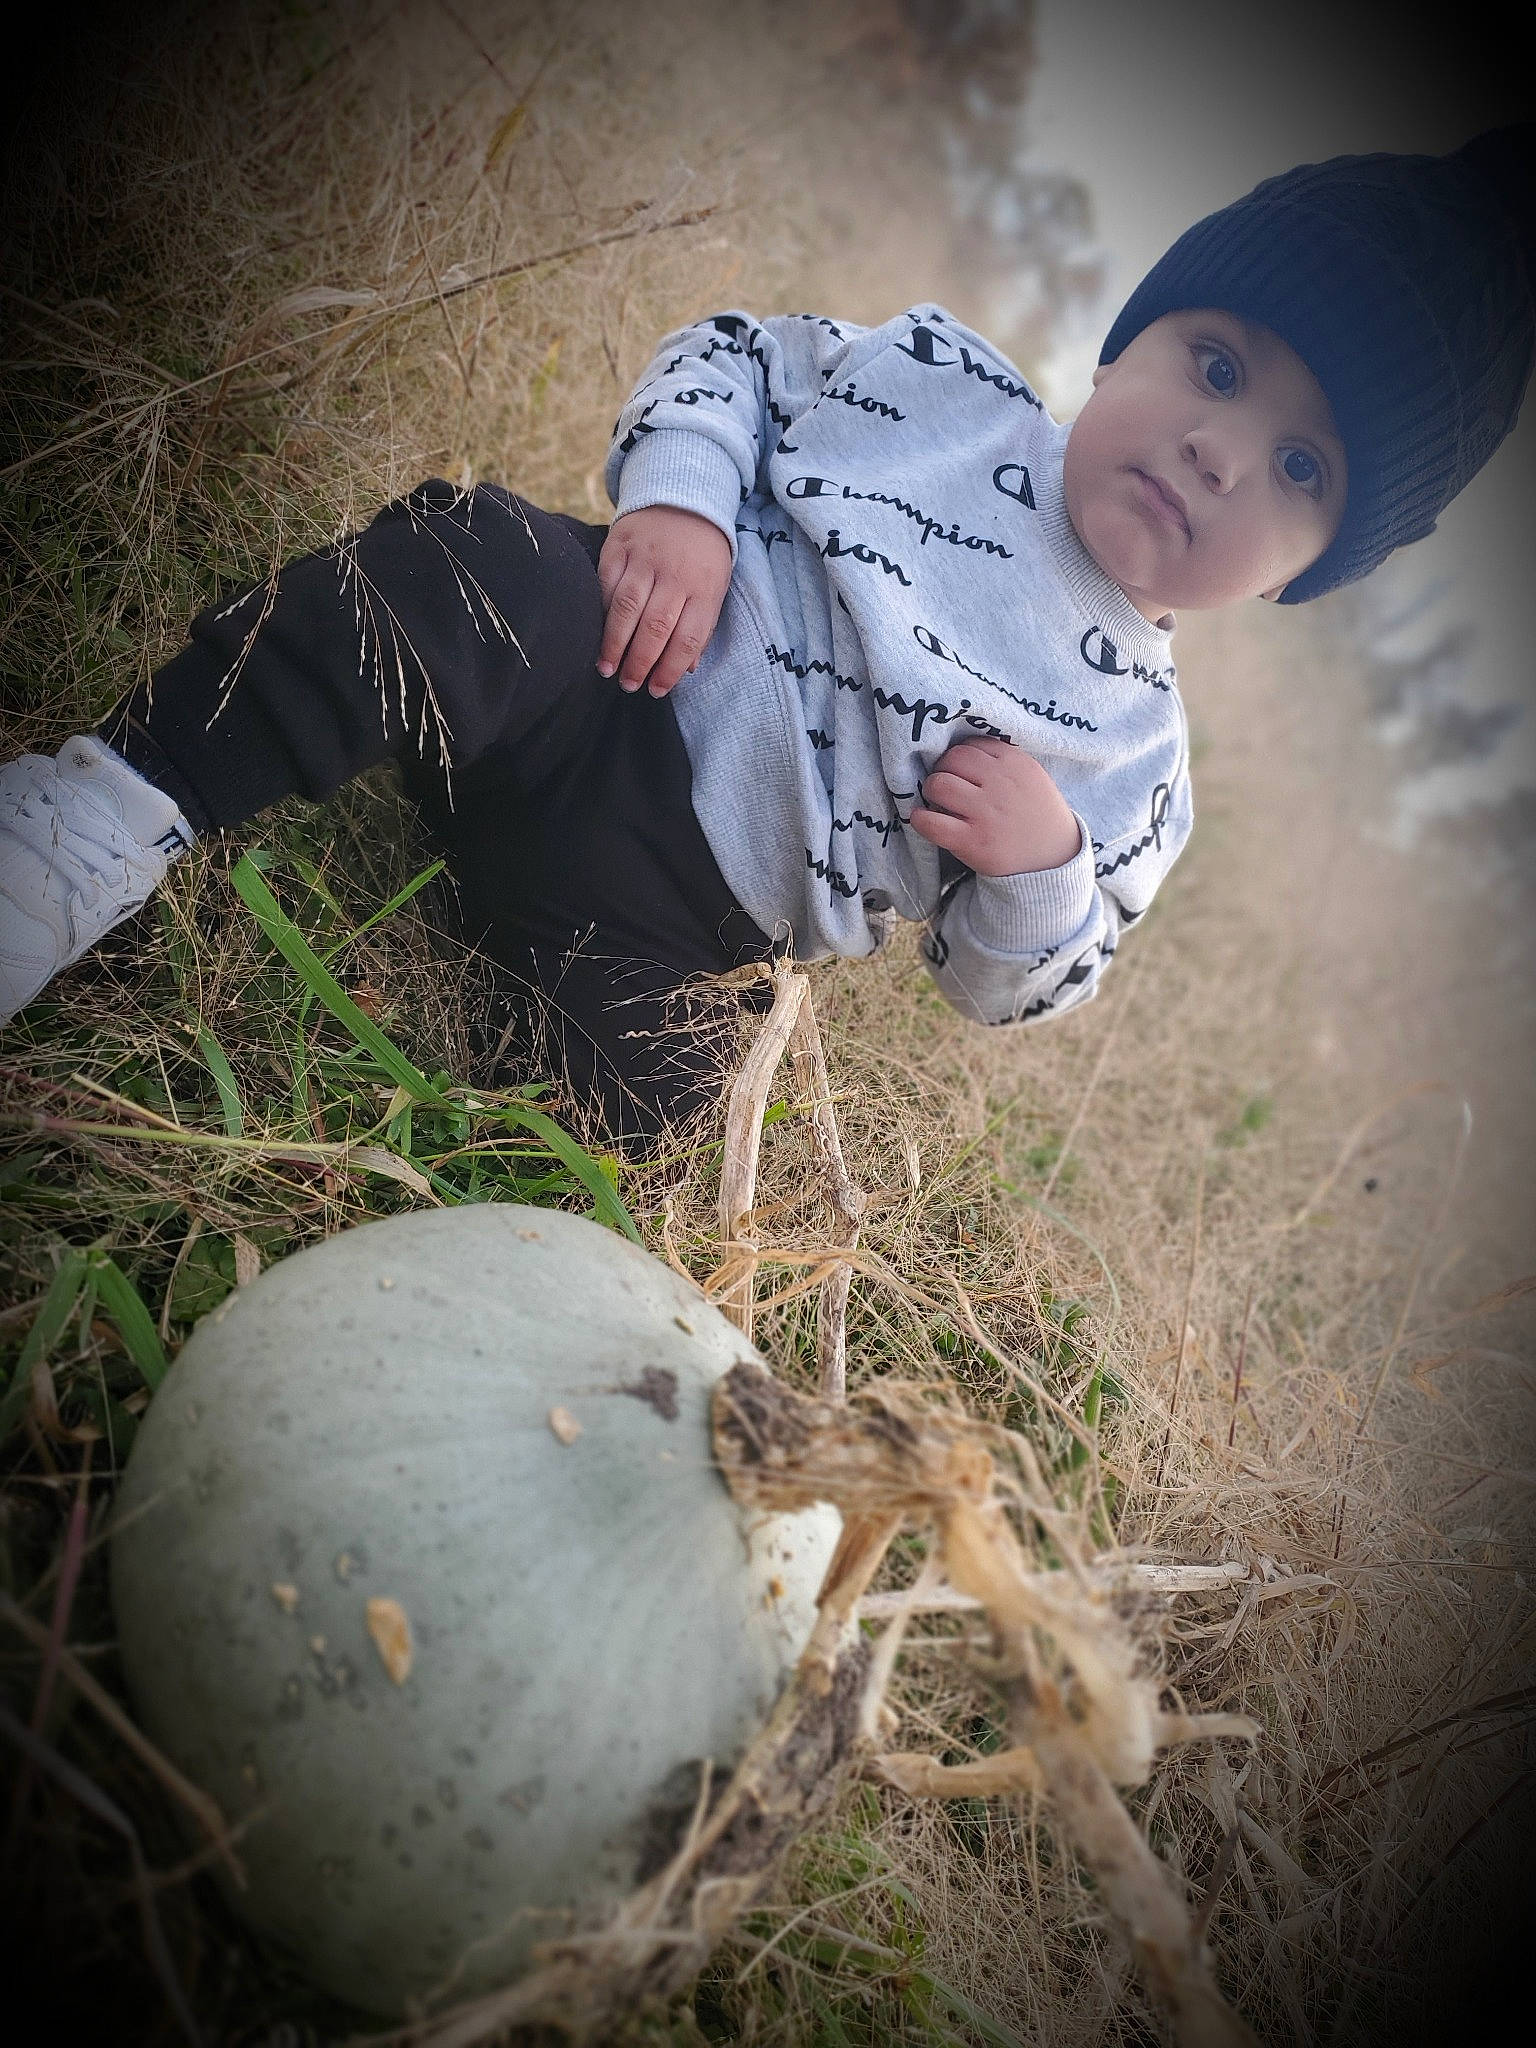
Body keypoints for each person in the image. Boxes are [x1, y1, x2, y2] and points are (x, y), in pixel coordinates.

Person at [1, 129, 1530, 1138]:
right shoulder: (940, 385)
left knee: (657, 1119)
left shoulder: (1134, 763)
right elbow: (732, 358)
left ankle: (504, 976)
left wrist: (1042, 869)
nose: (1222, 448)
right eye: (1215, 366)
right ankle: (109, 814)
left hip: (678, 923)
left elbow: (1009, 989)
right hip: (590, 668)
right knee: (452, 577)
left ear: (1301, 575)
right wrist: (682, 504)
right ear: (1130, 337)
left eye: (1301, 470)